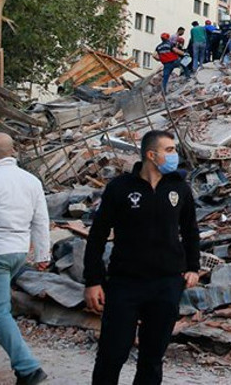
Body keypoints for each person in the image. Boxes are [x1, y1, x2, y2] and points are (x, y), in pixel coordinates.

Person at [84, 130, 200, 385]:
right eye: (169, 150)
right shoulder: (120, 188)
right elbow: (97, 236)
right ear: (151, 154)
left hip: (167, 284)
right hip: (125, 283)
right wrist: (93, 281)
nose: (174, 155)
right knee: (112, 354)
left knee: (152, 357)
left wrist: (193, 267)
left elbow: (191, 230)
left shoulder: (179, 188)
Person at [0, 133, 50, 385]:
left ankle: (28, 368)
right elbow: (41, 219)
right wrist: (42, 255)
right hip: (17, 252)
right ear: (13, 151)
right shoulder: (31, 180)